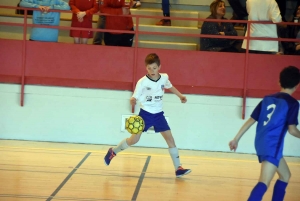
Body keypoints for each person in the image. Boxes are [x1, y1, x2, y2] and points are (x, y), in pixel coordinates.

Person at [104, 53, 192, 178]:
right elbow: (135, 95)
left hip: (159, 115)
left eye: (154, 68)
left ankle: (178, 168)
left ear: (159, 67)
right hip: (145, 114)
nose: (152, 71)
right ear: (146, 68)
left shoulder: (164, 77)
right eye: (149, 68)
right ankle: (113, 151)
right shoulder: (142, 82)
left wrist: (181, 96)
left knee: (170, 140)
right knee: (133, 140)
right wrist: (133, 100)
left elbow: (170, 87)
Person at [229, 66, 300, 201]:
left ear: (279, 82)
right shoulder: (292, 103)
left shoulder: (267, 99)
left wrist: (236, 139)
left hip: (262, 143)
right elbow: (292, 130)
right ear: (297, 85)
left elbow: (251, 120)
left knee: (285, 176)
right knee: (264, 182)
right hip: (272, 145)